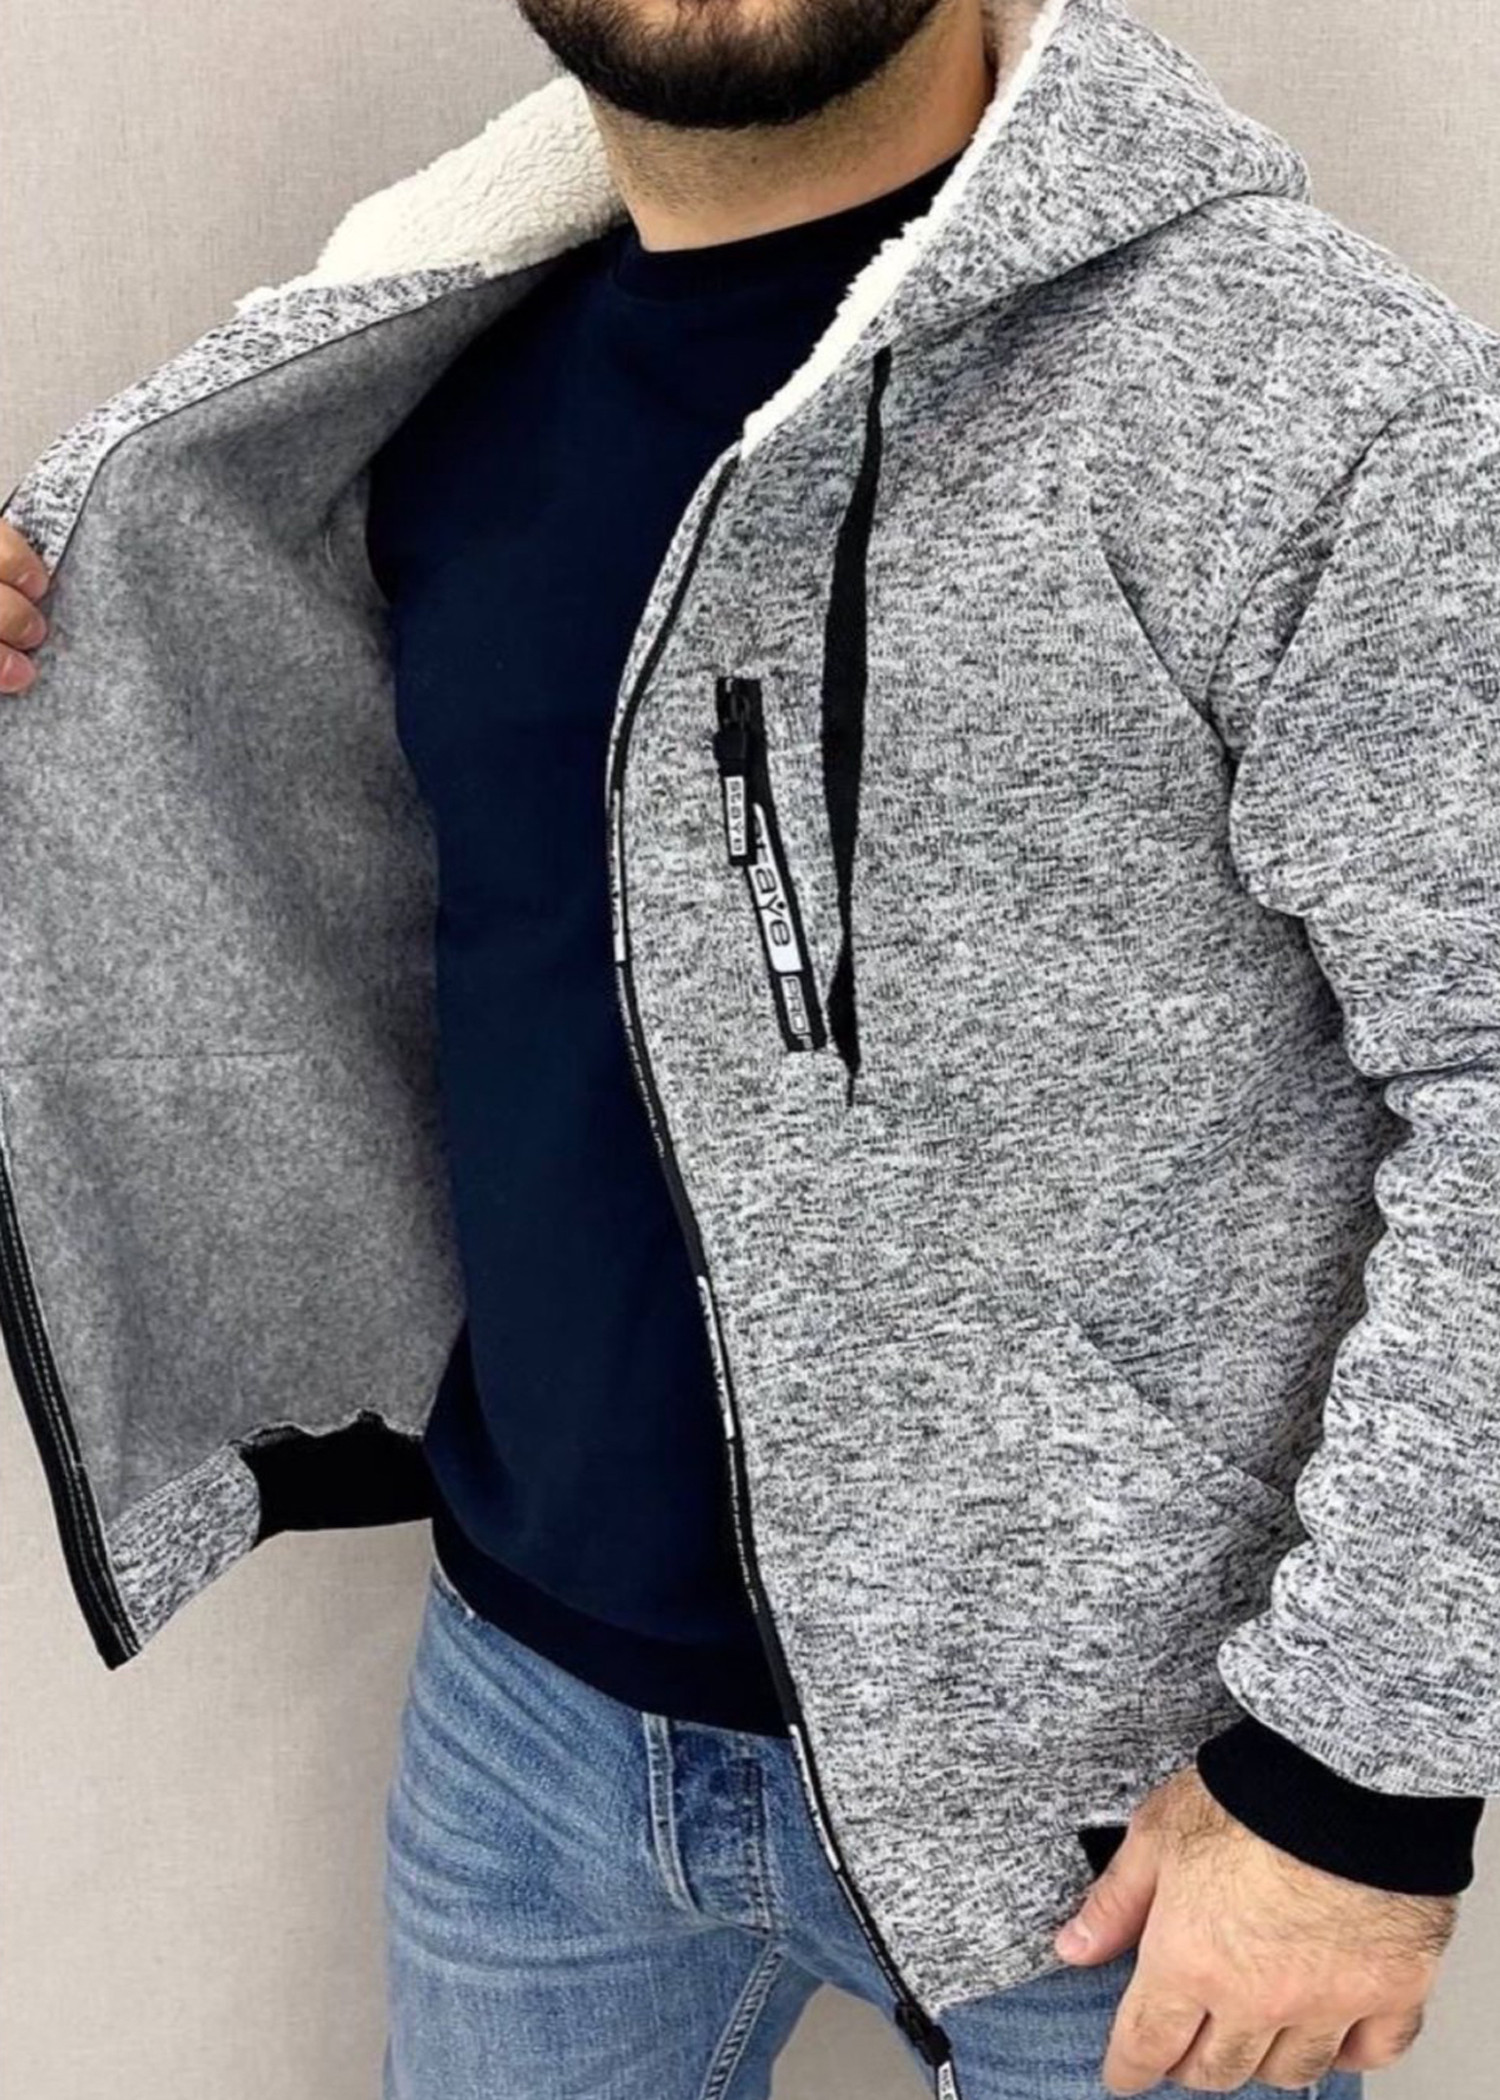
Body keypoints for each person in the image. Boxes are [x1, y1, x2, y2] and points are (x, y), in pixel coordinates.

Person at [3, 0, 1498, 2092]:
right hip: (527, 1728)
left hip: (1119, 1797)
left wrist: (1362, 1783)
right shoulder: (405, 381)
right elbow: (242, 852)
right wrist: (55, 681)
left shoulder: (1319, 394)